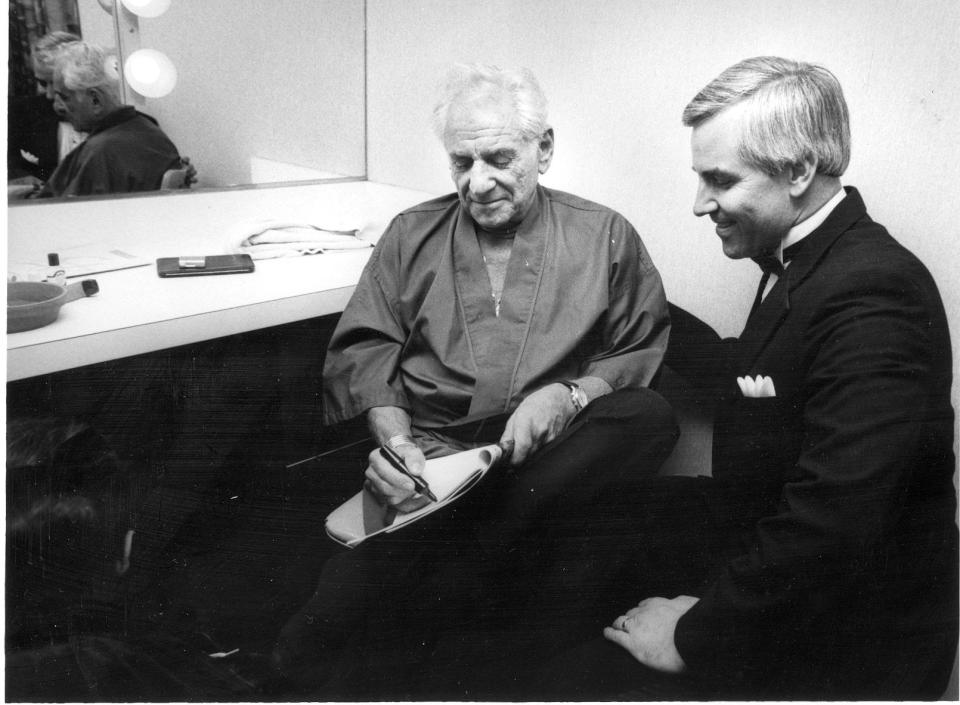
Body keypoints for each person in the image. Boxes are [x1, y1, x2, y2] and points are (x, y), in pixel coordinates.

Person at [500, 56, 956, 701]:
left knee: (566, 675)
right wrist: (625, 296)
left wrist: (691, 634)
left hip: (856, 634)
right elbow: (753, 371)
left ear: (798, 170)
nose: (699, 204)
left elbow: (837, 517)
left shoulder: (874, 291)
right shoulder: (815, 259)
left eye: (719, 180)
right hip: (783, 545)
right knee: (583, 527)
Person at [272, 63, 677, 697]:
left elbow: (636, 348)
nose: (478, 182)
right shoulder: (412, 233)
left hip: (548, 461)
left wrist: (569, 395)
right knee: (313, 642)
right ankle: (459, 535)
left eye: (498, 157)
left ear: (543, 150)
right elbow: (366, 350)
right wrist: (396, 445)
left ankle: (470, 532)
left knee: (648, 416)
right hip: (430, 464)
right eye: (461, 162)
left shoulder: (604, 234)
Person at [37, 41, 182, 198]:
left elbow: (68, 217)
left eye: (65, 98)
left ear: (95, 100)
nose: (58, 107)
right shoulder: (149, 130)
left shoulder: (101, 153)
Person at [7, 31, 84, 191]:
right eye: (43, 83)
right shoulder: (19, 113)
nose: (49, 94)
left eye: (56, 82)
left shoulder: (107, 117)